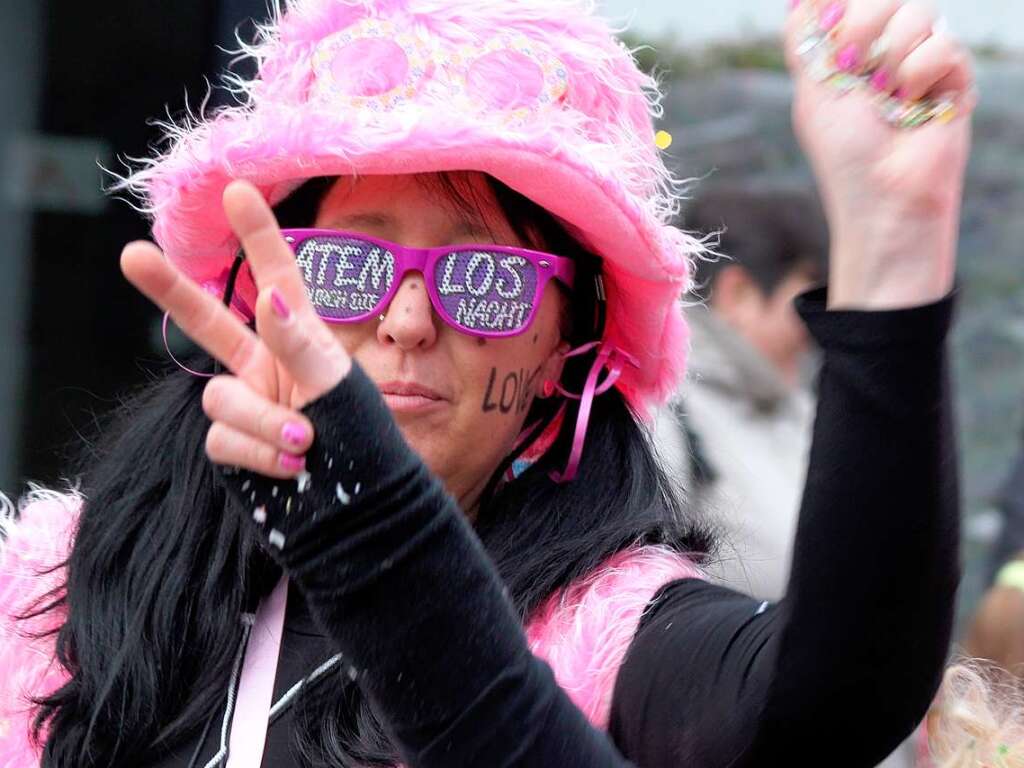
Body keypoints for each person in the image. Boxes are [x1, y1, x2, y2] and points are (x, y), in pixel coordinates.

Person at [0, 0, 972, 766]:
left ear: (565, 347)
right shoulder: (50, 590)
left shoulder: (608, 638)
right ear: (261, 293)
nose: (407, 319)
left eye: (487, 280)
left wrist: (891, 258)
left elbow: (829, 699)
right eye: (348, 263)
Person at [674, 187, 829, 599]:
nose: (815, 337)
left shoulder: (799, 408)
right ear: (738, 294)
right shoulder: (658, 413)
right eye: (807, 309)